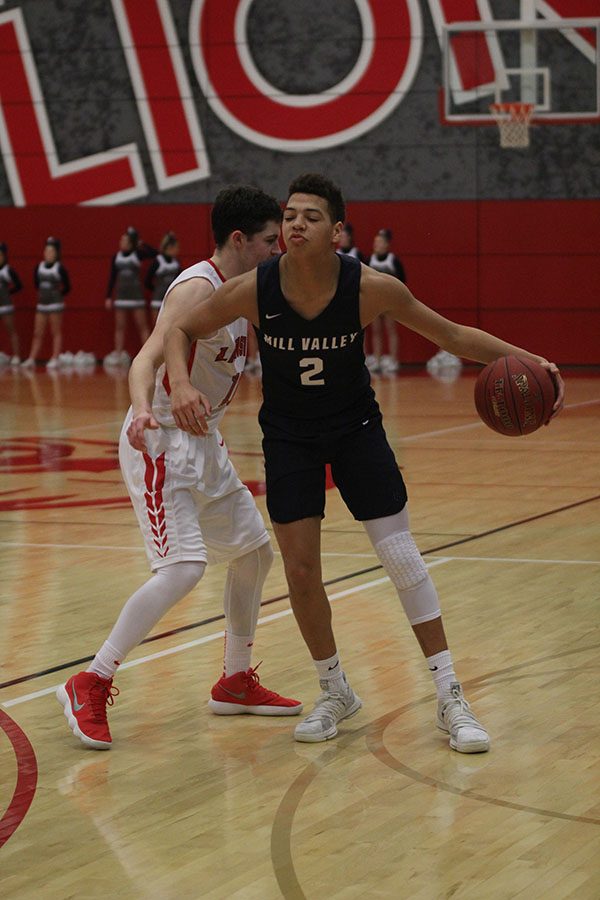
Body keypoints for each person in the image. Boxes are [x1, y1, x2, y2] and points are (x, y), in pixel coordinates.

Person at [163, 172, 564, 752]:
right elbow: (180, 328)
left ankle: (450, 694)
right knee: (300, 573)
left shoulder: (370, 287)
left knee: (400, 554)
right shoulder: (256, 287)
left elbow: (452, 336)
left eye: (311, 216)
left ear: (337, 231)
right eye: (291, 215)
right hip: (289, 438)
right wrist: (178, 381)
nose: (296, 224)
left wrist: (532, 359)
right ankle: (335, 690)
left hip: (356, 431)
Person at [57, 186, 301, 750]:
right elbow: (148, 356)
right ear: (239, 240)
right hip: (161, 440)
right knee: (183, 568)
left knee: (254, 552)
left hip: (204, 441)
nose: (278, 249)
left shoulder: (250, 293)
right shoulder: (197, 286)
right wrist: (145, 409)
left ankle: (235, 679)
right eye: (271, 240)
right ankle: (90, 680)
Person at [104, 227, 155, 366]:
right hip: (121, 296)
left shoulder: (138, 254)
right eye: (121, 240)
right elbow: (112, 277)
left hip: (136, 296)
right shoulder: (116, 257)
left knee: (142, 326)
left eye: (125, 240)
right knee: (120, 326)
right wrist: (108, 296)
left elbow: (155, 254)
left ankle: (148, 355)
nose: (122, 242)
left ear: (131, 242)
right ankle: (119, 354)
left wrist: (141, 243)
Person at [22, 237, 70, 369]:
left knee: (55, 331)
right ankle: (32, 358)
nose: (48, 254)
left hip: (55, 305)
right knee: (38, 332)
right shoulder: (39, 267)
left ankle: (55, 357)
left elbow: (67, 286)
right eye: (46, 251)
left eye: (51, 251)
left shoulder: (59, 268)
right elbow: (37, 284)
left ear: (56, 253)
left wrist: (57, 295)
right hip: (42, 304)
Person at [366, 228, 405, 374]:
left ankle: (393, 359)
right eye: (375, 242)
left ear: (387, 244)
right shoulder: (369, 260)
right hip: (374, 301)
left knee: (390, 329)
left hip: (389, 302)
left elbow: (402, 281)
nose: (377, 245)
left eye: (380, 242)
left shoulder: (393, 260)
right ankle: (377, 358)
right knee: (376, 331)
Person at [145, 231, 181, 323]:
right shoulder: (158, 261)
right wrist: (157, 289)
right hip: (157, 301)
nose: (178, 250)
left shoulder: (176, 263)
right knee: (157, 329)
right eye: (176, 247)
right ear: (170, 247)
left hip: (172, 301)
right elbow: (147, 281)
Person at [0, 242, 23, 365]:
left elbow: (19, 285)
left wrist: (8, 292)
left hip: (6, 306)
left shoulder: (7, 270)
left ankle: (16, 356)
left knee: (11, 330)